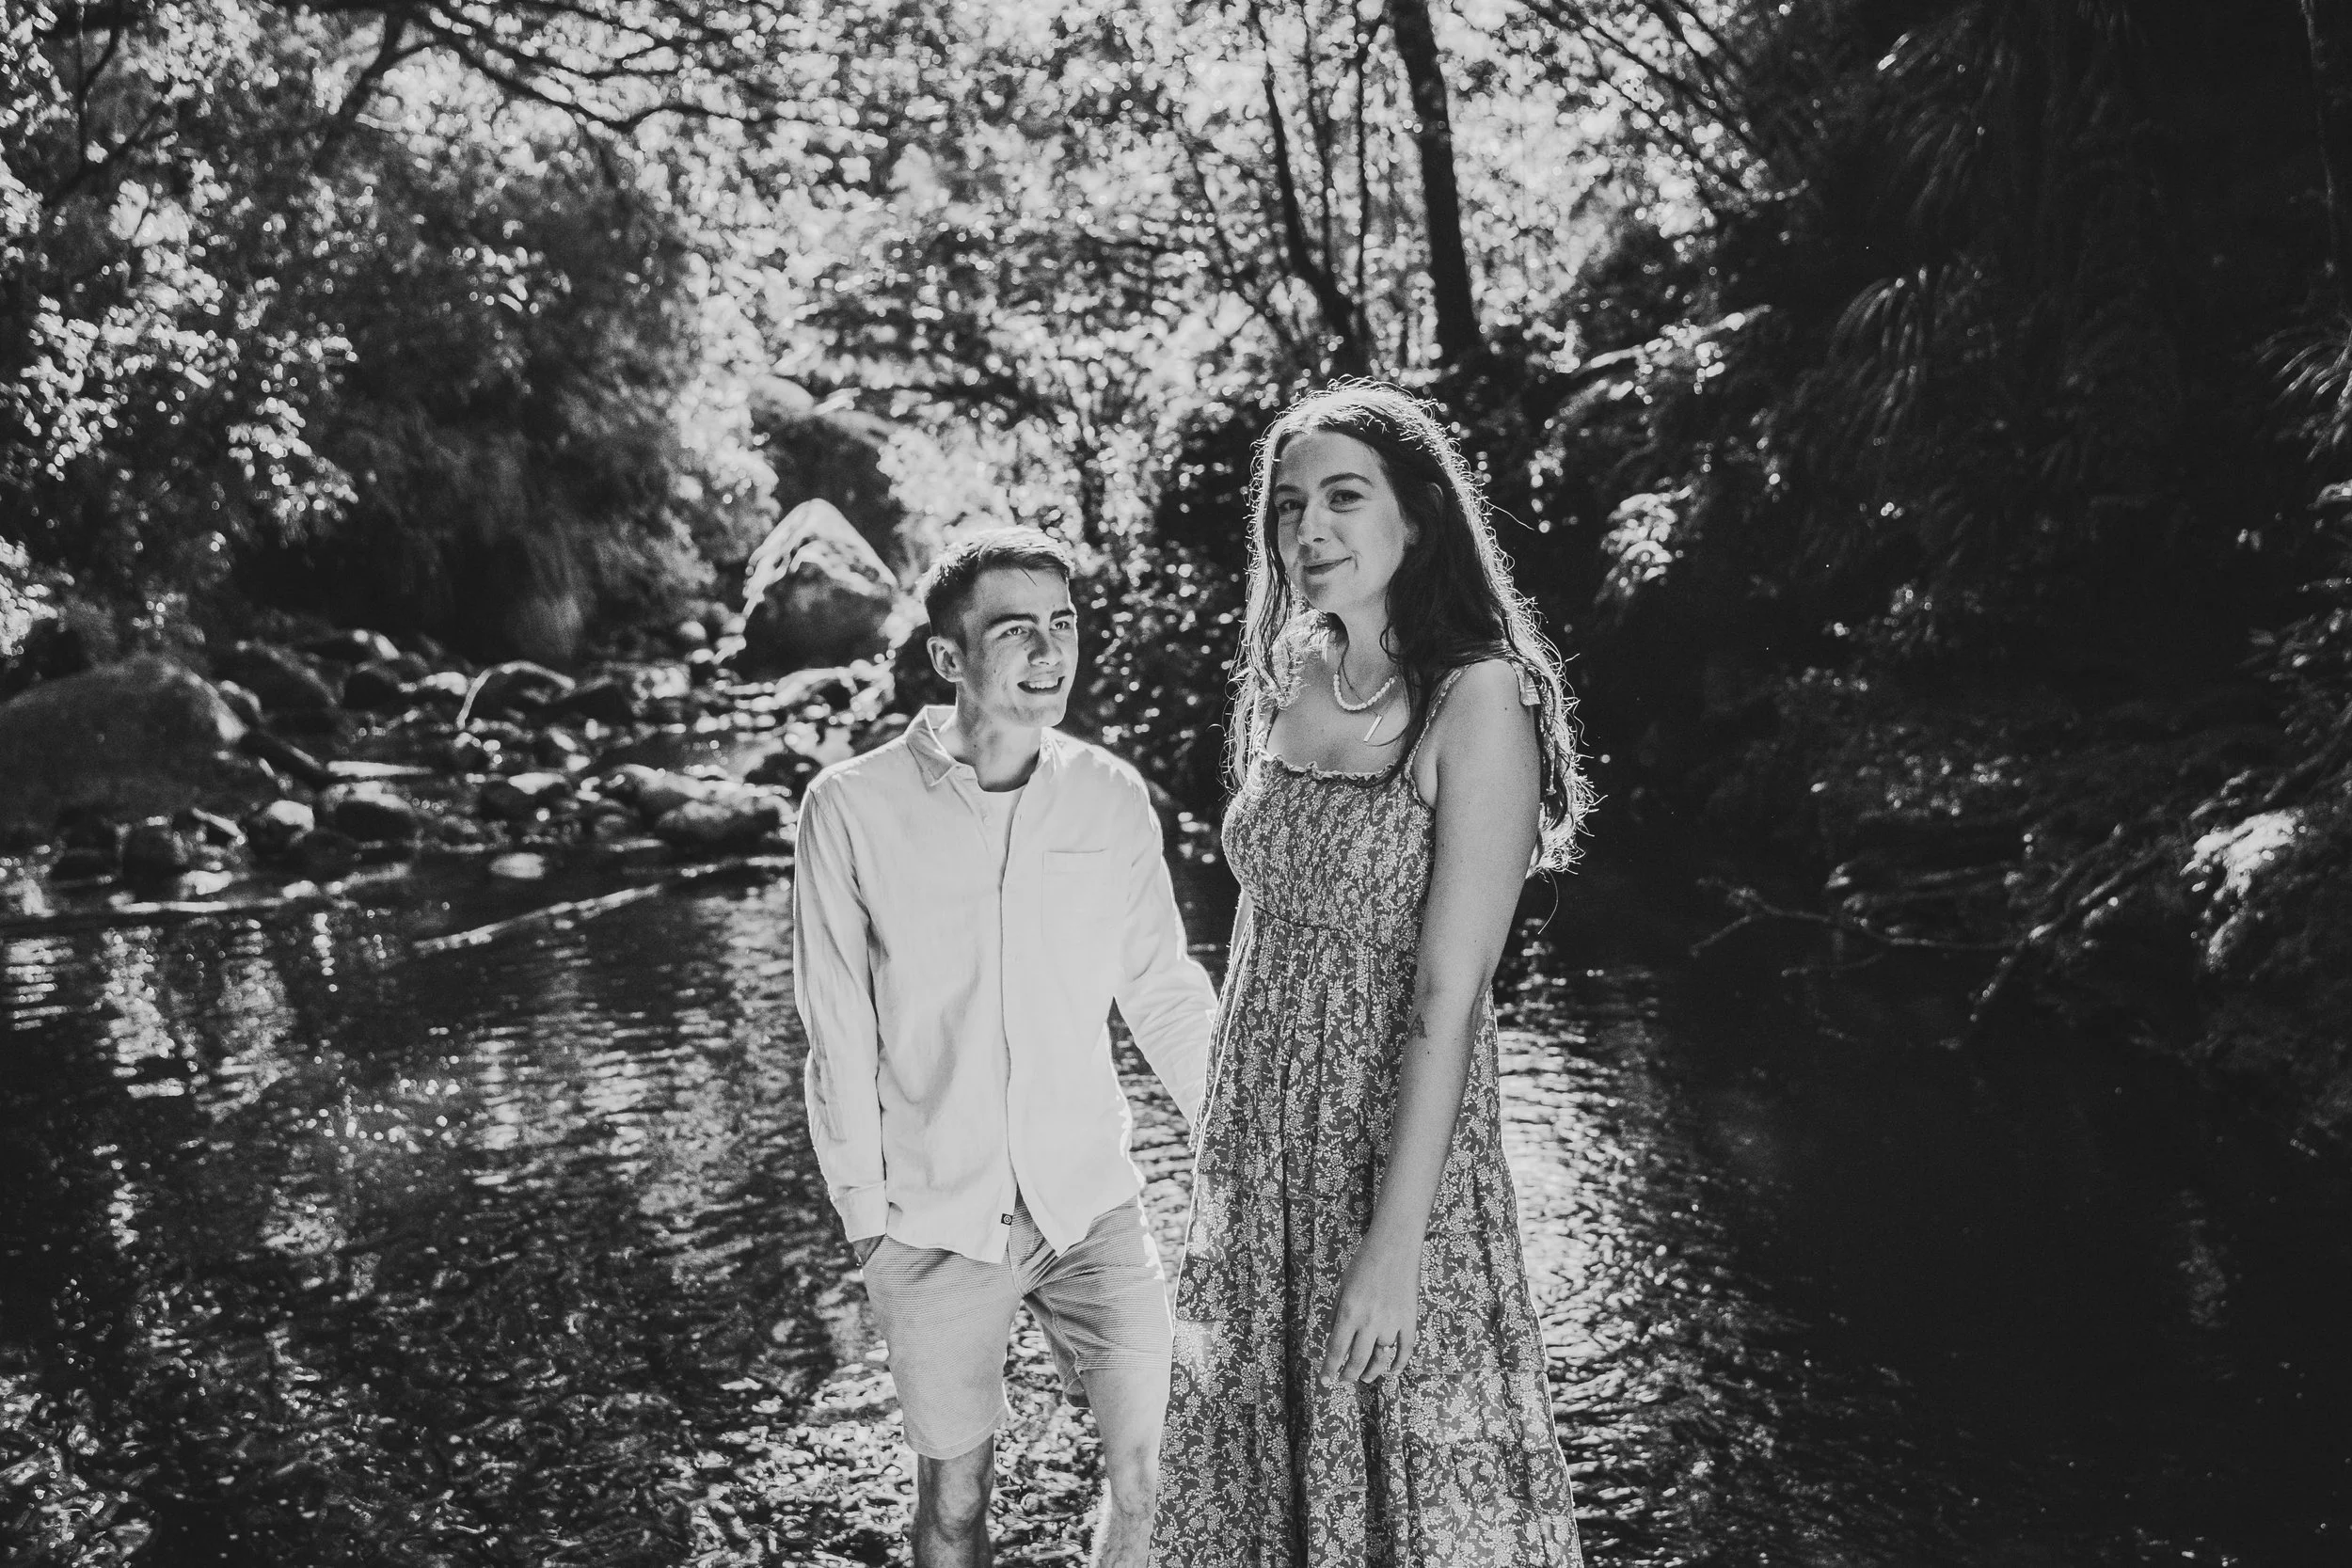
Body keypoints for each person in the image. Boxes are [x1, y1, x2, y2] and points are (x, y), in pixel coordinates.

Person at [1151, 382, 1594, 1566]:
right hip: (1261, 1145)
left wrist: (1394, 1245)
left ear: (1420, 517)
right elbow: (1266, 924)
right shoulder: (1296, 669)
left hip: (1386, 1150)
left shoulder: (1479, 698)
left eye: (1344, 497)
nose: (1309, 529)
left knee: (1405, 1469)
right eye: (1288, 505)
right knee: (1267, 1479)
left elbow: (1449, 999)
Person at [793, 527, 1218, 1568]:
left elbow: (1163, 989)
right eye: (1015, 628)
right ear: (948, 659)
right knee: (955, 1503)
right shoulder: (849, 809)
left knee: (1152, 1475)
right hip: (933, 1220)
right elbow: (834, 1030)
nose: (1048, 650)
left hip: (1091, 1202)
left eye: (1063, 625)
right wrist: (867, 1227)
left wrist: (1243, 1134)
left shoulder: (1110, 797)